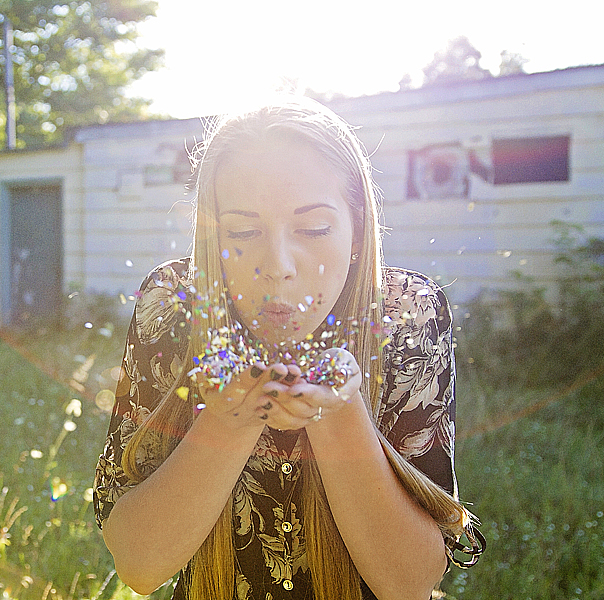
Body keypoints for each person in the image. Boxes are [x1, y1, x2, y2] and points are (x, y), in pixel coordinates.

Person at [93, 97, 484, 600]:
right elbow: (139, 566)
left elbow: (410, 583)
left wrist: (340, 414)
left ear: (357, 229)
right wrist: (229, 421)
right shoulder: (173, 308)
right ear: (213, 237)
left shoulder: (406, 315)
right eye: (243, 231)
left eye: (313, 228)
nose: (277, 265)